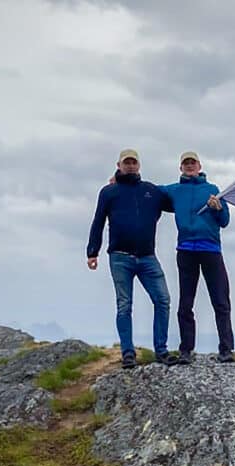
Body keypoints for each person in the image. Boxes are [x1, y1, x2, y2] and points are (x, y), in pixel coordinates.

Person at [87, 149, 177, 369]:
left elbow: (178, 202)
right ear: (119, 165)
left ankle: (161, 351)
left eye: (133, 162)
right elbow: (98, 221)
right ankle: (128, 353)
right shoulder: (109, 192)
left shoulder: (151, 191)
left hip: (147, 257)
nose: (130, 165)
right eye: (126, 162)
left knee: (162, 300)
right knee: (124, 305)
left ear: (139, 165)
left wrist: (205, 199)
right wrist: (92, 252)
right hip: (120, 257)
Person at [162, 151, 235, 364]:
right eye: (186, 163)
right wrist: (119, 182)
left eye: (192, 163)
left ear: (199, 166)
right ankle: (186, 350)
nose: (189, 166)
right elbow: (147, 191)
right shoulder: (174, 190)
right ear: (181, 167)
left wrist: (218, 208)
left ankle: (226, 349)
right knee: (185, 304)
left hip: (210, 249)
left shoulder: (212, 190)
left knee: (221, 301)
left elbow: (225, 221)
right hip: (186, 250)